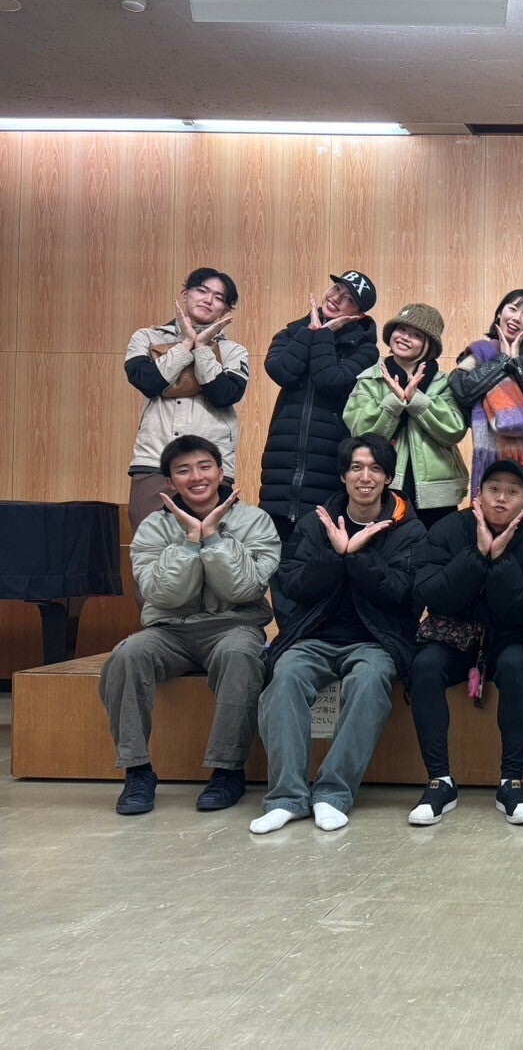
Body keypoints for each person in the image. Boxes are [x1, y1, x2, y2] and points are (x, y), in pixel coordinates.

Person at [250, 434, 427, 834]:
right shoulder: (316, 523)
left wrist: (358, 555)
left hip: (376, 640)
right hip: (314, 636)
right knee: (285, 677)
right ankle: (287, 798)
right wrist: (335, 554)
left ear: (388, 478)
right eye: (357, 468)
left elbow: (403, 595)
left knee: (369, 681)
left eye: (376, 469)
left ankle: (332, 794)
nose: (366, 477)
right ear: (344, 475)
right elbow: (293, 585)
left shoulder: (409, 530)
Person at [100, 435, 280, 815]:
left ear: (221, 472)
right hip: (170, 629)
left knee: (240, 654)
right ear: (170, 482)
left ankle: (227, 771)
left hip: (234, 626)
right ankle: (137, 772)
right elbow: (161, 596)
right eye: (183, 471)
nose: (196, 477)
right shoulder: (154, 527)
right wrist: (188, 543)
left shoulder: (255, 521)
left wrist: (212, 538)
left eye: (204, 467)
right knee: (127, 655)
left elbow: (244, 589)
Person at [406, 460, 523, 826]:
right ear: (478, 494)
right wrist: (476, 555)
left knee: (516, 665)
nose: (501, 499)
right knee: (425, 666)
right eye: (494, 489)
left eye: (512, 492)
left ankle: (512, 782)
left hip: (510, 637)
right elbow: (431, 594)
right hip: (454, 634)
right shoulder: (448, 529)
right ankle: (439, 781)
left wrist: (500, 558)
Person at [260, 270, 380, 555]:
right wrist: (310, 331)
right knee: (274, 554)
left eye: (348, 299)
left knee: (316, 555)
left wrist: (323, 334)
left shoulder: (365, 351)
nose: (336, 298)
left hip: (327, 462)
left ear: (358, 315)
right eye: (336, 289)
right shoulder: (292, 332)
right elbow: (281, 371)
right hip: (282, 460)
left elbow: (331, 379)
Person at [124, 268, 250, 530]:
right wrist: (185, 345)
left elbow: (224, 395)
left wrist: (202, 347)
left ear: (225, 310)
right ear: (185, 294)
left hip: (211, 465)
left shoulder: (234, 351)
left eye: (219, 297)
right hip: (154, 460)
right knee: (150, 544)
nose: (208, 300)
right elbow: (147, 382)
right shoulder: (146, 337)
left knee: (211, 545)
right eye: (201, 291)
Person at [344, 302, 469, 528]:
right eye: (401, 329)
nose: (404, 338)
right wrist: (395, 401)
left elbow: (454, 431)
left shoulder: (444, 382)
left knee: (438, 545)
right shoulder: (369, 379)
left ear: (429, 345)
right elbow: (360, 433)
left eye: (416, 335)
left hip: (437, 492)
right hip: (384, 486)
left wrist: (416, 400)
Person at [448, 288, 523, 530]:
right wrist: (502, 361)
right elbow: (462, 390)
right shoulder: (479, 352)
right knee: (490, 520)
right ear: (500, 313)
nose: (517, 318)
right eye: (513, 309)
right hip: (491, 449)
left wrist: (517, 363)